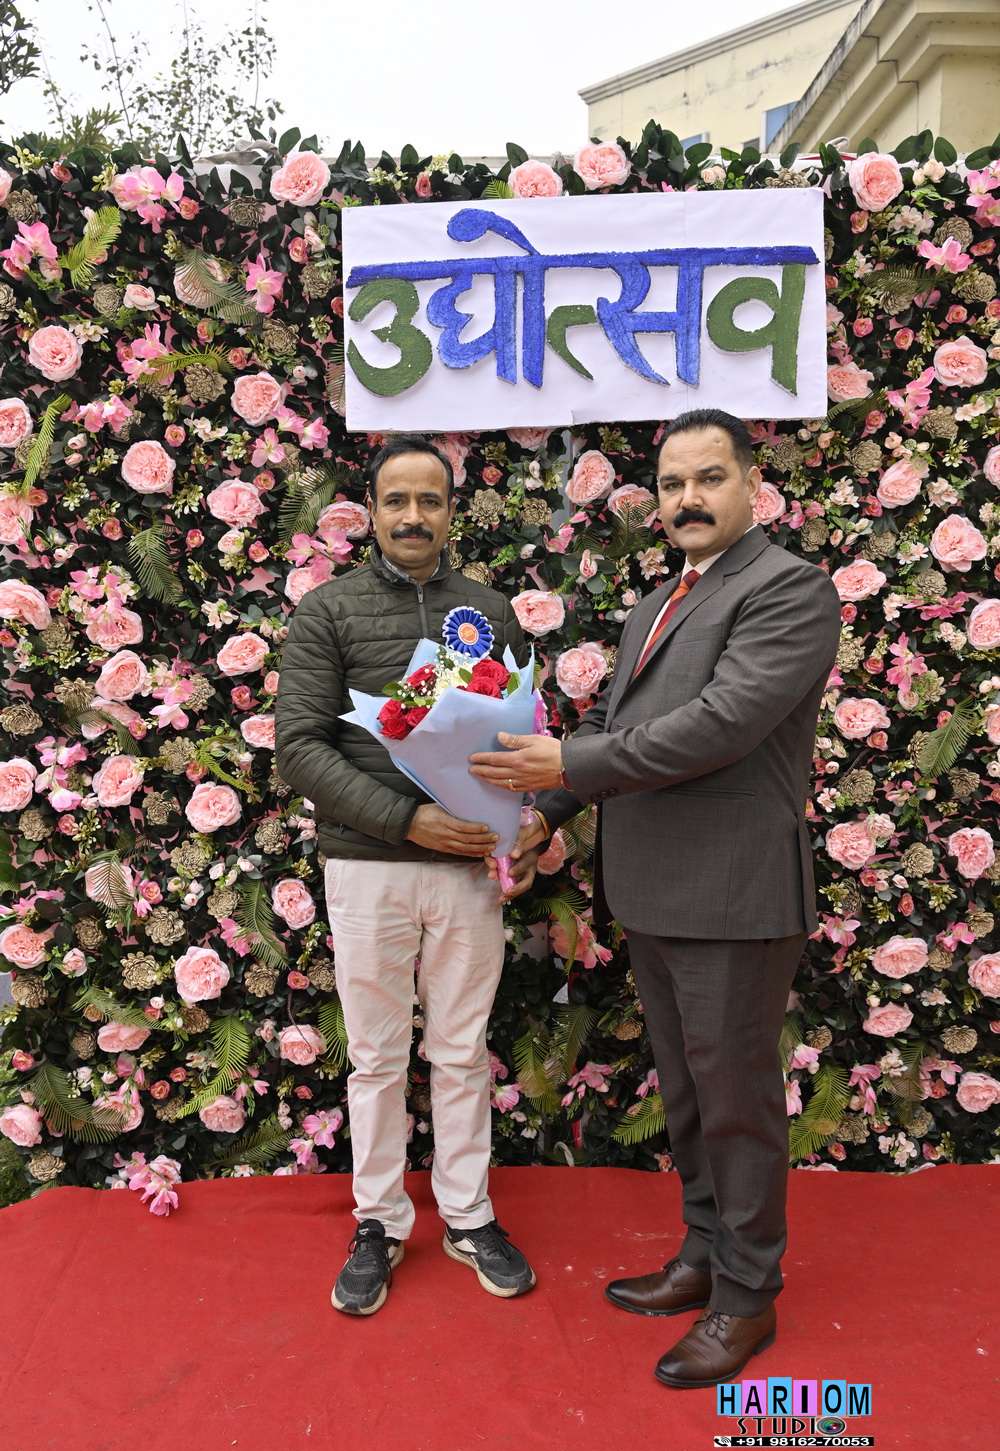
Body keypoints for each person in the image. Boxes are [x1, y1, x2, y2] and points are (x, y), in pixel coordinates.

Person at [472, 408, 842, 1387]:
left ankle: (746, 1298)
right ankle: (704, 1255)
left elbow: (720, 725)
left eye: (709, 478)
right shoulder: (657, 603)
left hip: (733, 893)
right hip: (656, 891)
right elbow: (614, 722)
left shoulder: (788, 590)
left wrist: (567, 763)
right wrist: (547, 810)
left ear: (752, 485)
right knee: (687, 1097)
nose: (688, 498)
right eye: (673, 483)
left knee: (736, 1105)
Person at [275, 435, 538, 1316]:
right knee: (378, 1057)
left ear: (452, 512)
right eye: (398, 501)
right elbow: (299, 748)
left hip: (467, 871)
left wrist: (521, 820)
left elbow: (519, 737)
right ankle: (379, 1221)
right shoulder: (329, 611)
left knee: (461, 1050)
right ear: (372, 512)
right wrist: (406, 819)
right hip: (369, 868)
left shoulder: (490, 610)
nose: (414, 516)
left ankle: (467, 1214)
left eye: (431, 500)